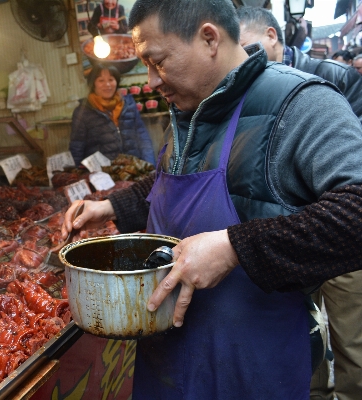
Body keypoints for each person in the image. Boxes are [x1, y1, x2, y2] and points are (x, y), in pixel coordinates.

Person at [61, 0, 362, 399]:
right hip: (166, 366)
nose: (151, 81)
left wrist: (234, 247)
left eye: (158, 62)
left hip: (250, 370)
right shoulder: (186, 109)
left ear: (208, 38)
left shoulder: (300, 103)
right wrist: (111, 207)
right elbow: (165, 183)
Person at [238, 8, 362, 399]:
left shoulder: (334, 77)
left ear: (272, 36)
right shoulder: (245, 91)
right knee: (300, 340)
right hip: (286, 240)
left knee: (353, 344)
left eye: (248, 47)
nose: (243, 59)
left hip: (338, 229)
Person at [238, 6, 362, 124]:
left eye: (244, 49)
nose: (240, 59)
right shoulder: (242, 89)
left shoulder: (338, 76)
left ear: (271, 36)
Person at [69, 63, 155, 166]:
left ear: (116, 81)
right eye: (101, 80)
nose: (107, 85)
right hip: (101, 173)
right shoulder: (82, 112)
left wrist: (149, 165)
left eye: (111, 79)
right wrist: (77, 173)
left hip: (132, 169)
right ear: (93, 84)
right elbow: (77, 146)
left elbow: (143, 138)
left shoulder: (128, 104)